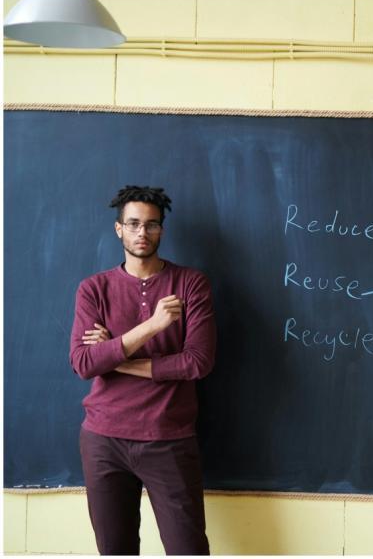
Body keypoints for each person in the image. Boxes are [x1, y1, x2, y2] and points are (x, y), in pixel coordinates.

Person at [69, 185, 216, 555]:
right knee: (115, 549)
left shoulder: (190, 283)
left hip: (169, 437)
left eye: (151, 225)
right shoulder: (93, 289)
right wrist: (151, 326)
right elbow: (84, 363)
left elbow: (197, 361)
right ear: (119, 229)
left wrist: (114, 354)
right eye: (133, 224)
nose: (142, 233)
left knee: (188, 549)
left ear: (162, 230)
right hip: (103, 440)